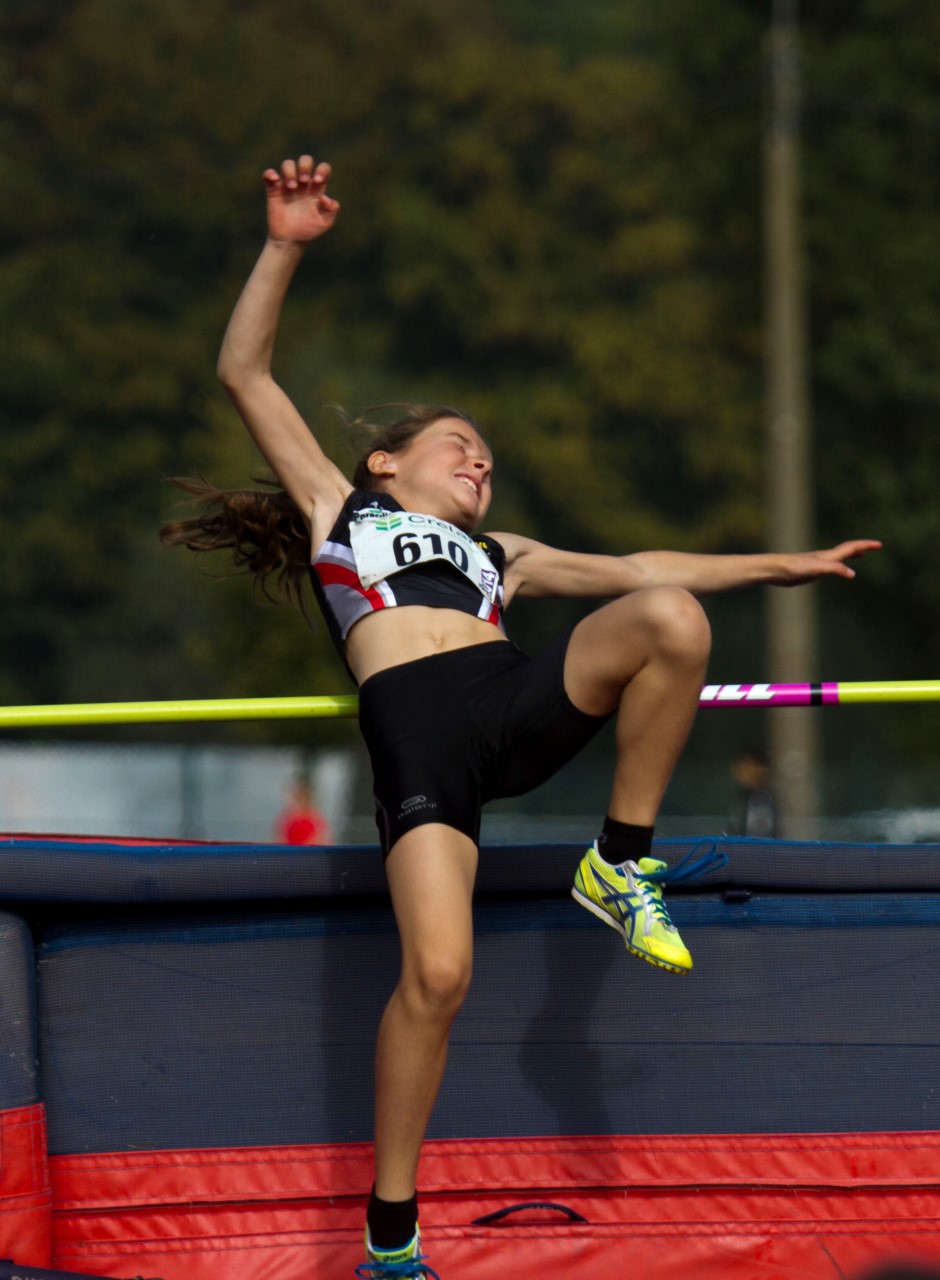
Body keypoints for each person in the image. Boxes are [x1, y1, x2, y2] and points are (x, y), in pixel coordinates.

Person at [162, 155, 881, 1280]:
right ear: (386, 461)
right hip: (419, 733)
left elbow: (644, 564)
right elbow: (242, 370)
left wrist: (782, 562)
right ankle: (391, 1239)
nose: (481, 460)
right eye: (459, 444)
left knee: (670, 615)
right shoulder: (335, 504)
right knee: (438, 975)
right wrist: (286, 245)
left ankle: (619, 861)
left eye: (488, 458)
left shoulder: (507, 555)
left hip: (510, 702)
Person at [727, 746, 778, 838]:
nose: (740, 770)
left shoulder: (762, 799)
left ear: (759, 769)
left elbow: (759, 837)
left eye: (746, 766)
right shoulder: (743, 795)